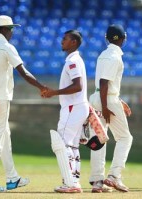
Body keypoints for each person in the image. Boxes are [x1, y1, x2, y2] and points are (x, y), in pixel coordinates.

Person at [0, 15, 47, 193]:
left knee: (4, 134)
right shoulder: (6, 47)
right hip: (0, 98)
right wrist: (41, 87)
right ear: (5, 30)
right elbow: (23, 72)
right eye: (11, 29)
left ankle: (13, 177)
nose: (13, 33)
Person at [88, 24, 133, 193]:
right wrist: (107, 106)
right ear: (123, 38)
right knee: (125, 138)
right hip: (106, 100)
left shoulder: (103, 54)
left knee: (100, 139)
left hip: (98, 98)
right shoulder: (116, 56)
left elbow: (103, 83)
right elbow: (104, 82)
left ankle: (98, 182)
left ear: (107, 38)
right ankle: (114, 176)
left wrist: (117, 99)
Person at [42, 30, 88, 193]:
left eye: (65, 39)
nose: (62, 41)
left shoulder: (73, 61)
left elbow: (78, 86)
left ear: (74, 42)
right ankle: (74, 181)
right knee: (73, 146)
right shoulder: (75, 59)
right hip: (78, 106)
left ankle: (70, 183)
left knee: (62, 143)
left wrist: (54, 92)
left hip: (73, 107)